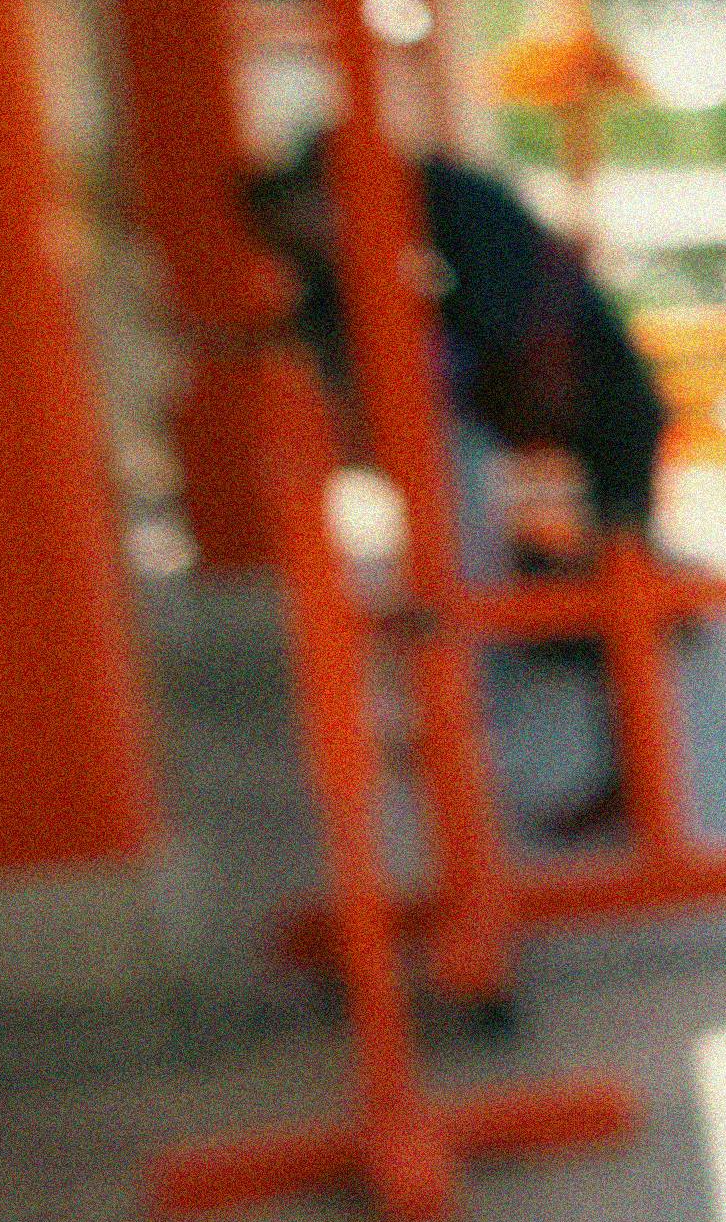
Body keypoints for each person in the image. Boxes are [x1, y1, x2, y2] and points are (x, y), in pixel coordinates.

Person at [244, 141, 675, 835]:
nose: (309, 250)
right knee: (593, 591)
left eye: (300, 230)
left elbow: (487, 320)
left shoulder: (447, 209)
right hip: (555, 416)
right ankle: (619, 776)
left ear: (317, 194)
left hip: (606, 409)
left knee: (623, 596)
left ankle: (638, 784)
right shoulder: (407, 217)